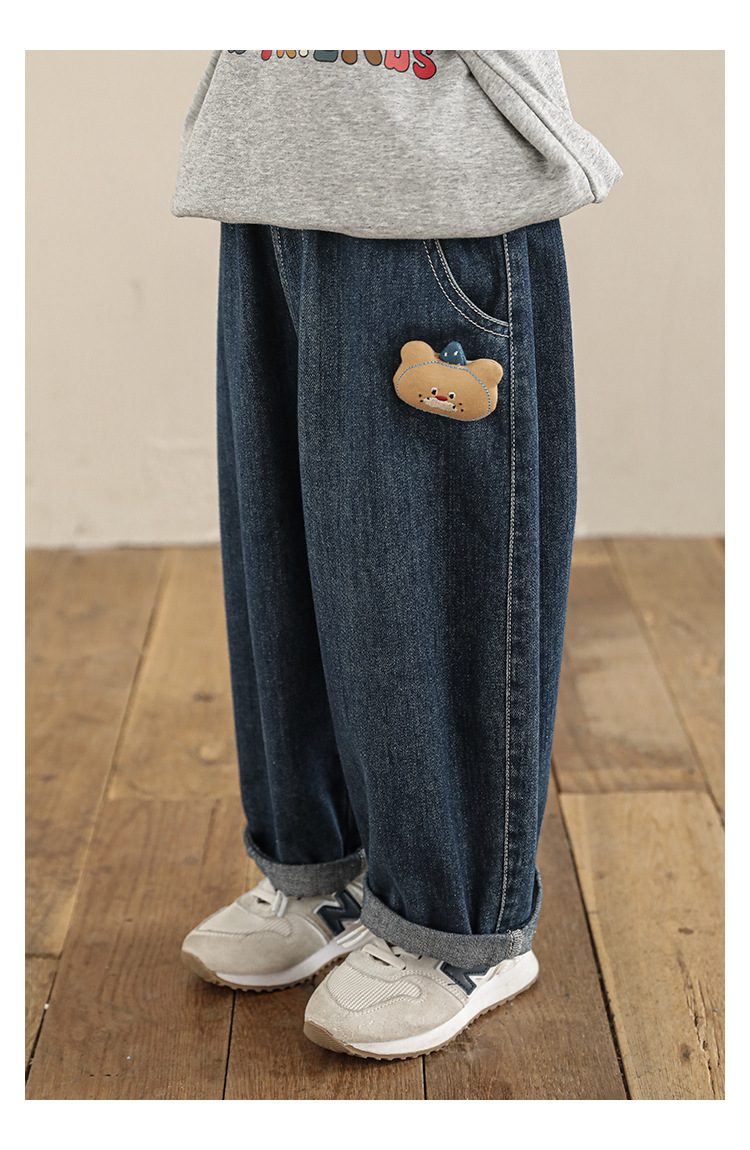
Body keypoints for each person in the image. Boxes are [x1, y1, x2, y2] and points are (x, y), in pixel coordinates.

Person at [172, 49, 621, 1061]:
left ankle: (455, 924)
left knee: (422, 566)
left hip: (429, 168)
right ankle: (321, 869)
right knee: (284, 553)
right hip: (270, 158)